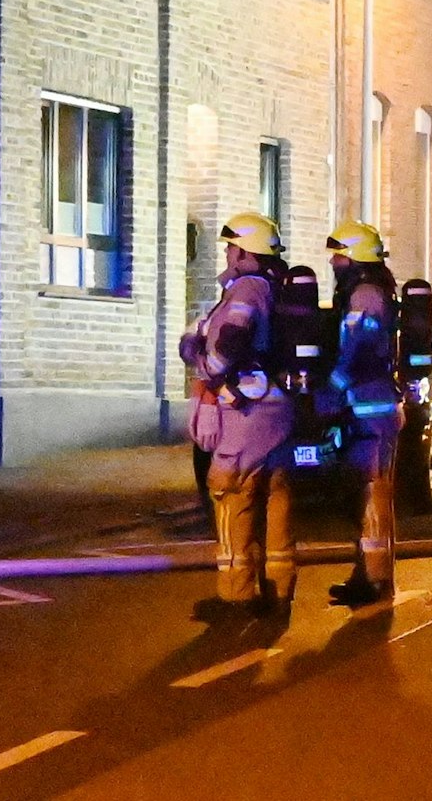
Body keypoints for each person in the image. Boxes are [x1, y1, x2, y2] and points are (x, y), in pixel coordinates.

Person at [180, 212, 295, 620]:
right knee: (275, 495)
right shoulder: (274, 287)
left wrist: (207, 366)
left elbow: (230, 341)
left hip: (247, 409)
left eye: (231, 246)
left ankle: (236, 595)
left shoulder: (246, 289)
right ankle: (279, 588)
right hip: (277, 406)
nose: (227, 253)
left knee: (231, 493)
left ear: (245, 250)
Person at [320, 220, 402, 608]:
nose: (334, 262)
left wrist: (332, 387)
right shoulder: (370, 291)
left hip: (369, 408)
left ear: (355, 257)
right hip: (373, 407)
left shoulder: (365, 295)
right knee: (369, 494)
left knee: (371, 494)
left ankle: (372, 579)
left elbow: (356, 346)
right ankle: (368, 573)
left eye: (340, 255)